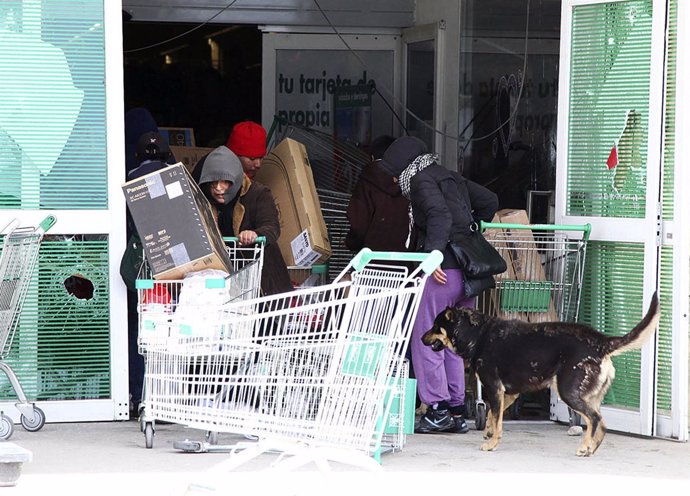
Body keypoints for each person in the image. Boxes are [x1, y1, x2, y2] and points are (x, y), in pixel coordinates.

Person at [378, 135, 499, 434]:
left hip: (442, 273)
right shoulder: (449, 176)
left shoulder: (419, 181)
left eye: (395, 172)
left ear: (405, 167)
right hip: (468, 275)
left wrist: (432, 257)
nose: (394, 179)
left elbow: (439, 216)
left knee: (427, 336)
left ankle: (437, 409)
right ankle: (457, 410)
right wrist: (469, 230)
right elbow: (489, 201)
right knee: (454, 341)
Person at [194, 145, 293, 296]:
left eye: (225, 182)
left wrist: (254, 234)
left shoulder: (258, 193)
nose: (219, 188)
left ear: (235, 178)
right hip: (223, 281)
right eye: (213, 182)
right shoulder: (203, 200)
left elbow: (272, 227)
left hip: (262, 282)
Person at [122, 131, 173, 417]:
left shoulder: (127, 180)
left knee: (137, 333)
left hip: (141, 270)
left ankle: (140, 394)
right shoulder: (175, 178)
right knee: (171, 331)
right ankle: (167, 397)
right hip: (172, 271)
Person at [345, 135, 410, 254]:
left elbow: (359, 224)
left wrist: (351, 243)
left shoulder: (366, 182)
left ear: (372, 157)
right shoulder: (411, 181)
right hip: (404, 260)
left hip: (370, 261)